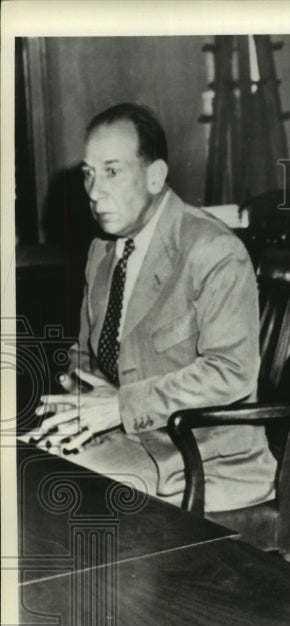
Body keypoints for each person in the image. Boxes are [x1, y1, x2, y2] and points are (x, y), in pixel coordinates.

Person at [26, 103, 276, 512]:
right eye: (88, 173)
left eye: (111, 171)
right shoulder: (102, 250)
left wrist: (121, 406)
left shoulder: (213, 250)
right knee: (20, 464)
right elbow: (86, 354)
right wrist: (75, 399)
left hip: (203, 457)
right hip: (128, 438)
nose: (93, 191)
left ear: (155, 176)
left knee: (54, 495)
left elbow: (230, 372)